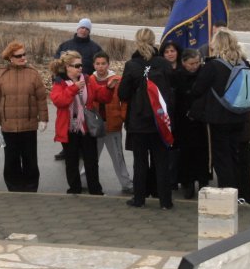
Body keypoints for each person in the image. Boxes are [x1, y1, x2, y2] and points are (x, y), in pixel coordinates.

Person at [190, 29, 250, 195]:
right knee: (235, 156)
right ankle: (242, 193)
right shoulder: (243, 64)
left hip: (219, 118)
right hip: (240, 116)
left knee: (222, 158)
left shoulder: (213, 66)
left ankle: (227, 194)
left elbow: (197, 90)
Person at [118, 28, 174, 209]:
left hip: (138, 121)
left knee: (140, 162)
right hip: (160, 121)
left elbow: (123, 93)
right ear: (153, 41)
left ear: (137, 41)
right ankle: (165, 201)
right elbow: (172, 89)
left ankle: (139, 198)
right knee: (162, 162)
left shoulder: (132, 65)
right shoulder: (164, 64)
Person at [0, 41, 48, 192]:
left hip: (28, 125)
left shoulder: (33, 74)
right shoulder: (1, 76)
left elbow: (41, 98)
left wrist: (43, 119)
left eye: (24, 54)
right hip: (8, 127)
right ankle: (14, 187)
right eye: (18, 55)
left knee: (30, 160)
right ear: (10, 58)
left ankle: (30, 186)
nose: (23, 57)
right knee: (11, 160)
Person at [50, 51, 112, 195]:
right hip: (69, 128)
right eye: (76, 65)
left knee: (91, 161)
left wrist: (109, 88)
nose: (80, 68)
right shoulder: (59, 82)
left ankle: (95, 189)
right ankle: (74, 188)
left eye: (81, 65)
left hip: (86, 127)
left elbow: (101, 96)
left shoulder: (87, 79)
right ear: (67, 67)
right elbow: (60, 101)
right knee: (71, 161)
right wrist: (74, 88)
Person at [53, 18, 103, 161]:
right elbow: (56, 63)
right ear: (77, 28)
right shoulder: (65, 45)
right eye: (82, 27)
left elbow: (99, 66)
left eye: (87, 28)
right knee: (67, 120)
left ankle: (82, 148)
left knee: (83, 119)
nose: (84, 30)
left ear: (89, 31)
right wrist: (58, 79)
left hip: (85, 86)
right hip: (67, 85)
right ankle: (66, 149)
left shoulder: (95, 48)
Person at [88, 51, 133, 194]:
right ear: (93, 65)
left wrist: (122, 117)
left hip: (113, 124)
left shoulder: (117, 80)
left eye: (103, 64)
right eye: (97, 64)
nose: (100, 67)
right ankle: (85, 180)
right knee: (91, 157)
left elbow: (124, 101)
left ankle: (126, 183)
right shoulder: (89, 80)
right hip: (95, 125)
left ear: (108, 64)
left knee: (118, 156)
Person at [173, 48, 210, 199]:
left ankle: (203, 182)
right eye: (191, 63)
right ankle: (187, 183)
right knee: (185, 154)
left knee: (202, 154)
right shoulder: (177, 76)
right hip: (183, 121)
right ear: (183, 62)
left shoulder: (204, 74)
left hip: (201, 121)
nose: (194, 66)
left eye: (197, 62)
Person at [160, 40, 183, 189]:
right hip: (166, 115)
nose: (170, 54)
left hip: (182, 114)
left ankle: (181, 177)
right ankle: (170, 179)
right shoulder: (160, 70)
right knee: (168, 148)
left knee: (180, 147)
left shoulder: (183, 68)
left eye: (172, 51)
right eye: (167, 51)